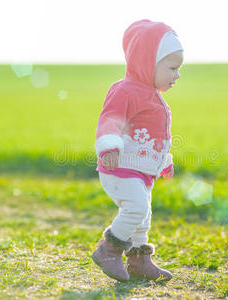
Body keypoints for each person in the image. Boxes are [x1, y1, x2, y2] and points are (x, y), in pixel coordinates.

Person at [91, 19, 184, 282]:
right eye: (172, 67)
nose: (177, 74)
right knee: (136, 208)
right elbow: (110, 119)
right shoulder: (125, 90)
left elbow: (156, 137)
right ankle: (109, 250)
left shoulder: (155, 98)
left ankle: (139, 261)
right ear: (147, 62)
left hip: (141, 170)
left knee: (143, 217)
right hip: (119, 165)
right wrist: (108, 145)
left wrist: (163, 160)